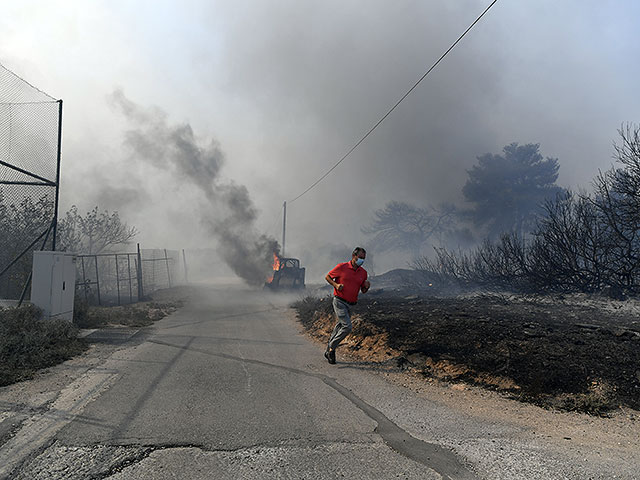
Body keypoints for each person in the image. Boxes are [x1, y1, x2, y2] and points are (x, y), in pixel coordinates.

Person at [323, 247, 371, 364]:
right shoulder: (342, 267)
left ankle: (329, 350)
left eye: (364, 259)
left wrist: (366, 287)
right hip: (339, 301)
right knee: (347, 327)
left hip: (351, 304)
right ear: (353, 256)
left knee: (340, 326)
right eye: (360, 258)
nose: (362, 261)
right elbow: (327, 277)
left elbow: (363, 290)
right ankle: (331, 348)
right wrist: (336, 284)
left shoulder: (363, 273)